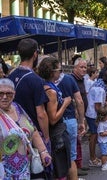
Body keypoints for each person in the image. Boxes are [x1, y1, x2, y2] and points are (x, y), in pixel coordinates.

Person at [8, 38, 51, 179]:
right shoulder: (36, 80)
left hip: (13, 132)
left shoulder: (10, 77)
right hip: (33, 135)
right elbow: (41, 114)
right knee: (39, 172)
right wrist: (46, 137)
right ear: (35, 54)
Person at [0, 78, 52, 179]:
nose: (4, 97)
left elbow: (33, 130)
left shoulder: (17, 107)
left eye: (9, 93)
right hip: (4, 172)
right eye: (0, 93)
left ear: (14, 94)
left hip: (24, 170)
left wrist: (43, 151)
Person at [38, 57, 72, 179]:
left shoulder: (45, 85)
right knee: (60, 169)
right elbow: (53, 118)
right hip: (57, 132)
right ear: (52, 72)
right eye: (59, 70)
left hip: (55, 132)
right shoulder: (50, 90)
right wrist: (66, 103)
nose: (60, 72)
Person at [56, 72, 87, 178]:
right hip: (70, 120)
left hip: (54, 122)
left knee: (57, 159)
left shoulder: (43, 80)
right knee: (70, 157)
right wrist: (81, 121)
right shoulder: (69, 79)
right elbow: (79, 101)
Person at [86, 70, 107, 167]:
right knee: (94, 135)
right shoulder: (100, 90)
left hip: (93, 114)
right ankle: (92, 158)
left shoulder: (99, 85)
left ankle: (100, 156)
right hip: (93, 115)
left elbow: (102, 101)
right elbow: (98, 106)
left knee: (96, 135)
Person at [70, 58, 89, 174]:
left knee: (79, 140)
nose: (83, 69)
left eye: (85, 67)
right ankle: (75, 168)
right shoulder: (72, 79)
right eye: (81, 67)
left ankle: (79, 165)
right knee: (75, 141)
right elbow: (75, 98)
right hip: (75, 115)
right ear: (75, 68)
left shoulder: (81, 79)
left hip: (82, 114)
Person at [96, 106, 107, 171]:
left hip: (106, 140)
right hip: (103, 141)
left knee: (106, 152)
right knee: (104, 153)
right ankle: (104, 165)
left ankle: (106, 162)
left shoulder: (106, 121)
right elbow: (101, 133)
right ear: (103, 116)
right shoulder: (101, 124)